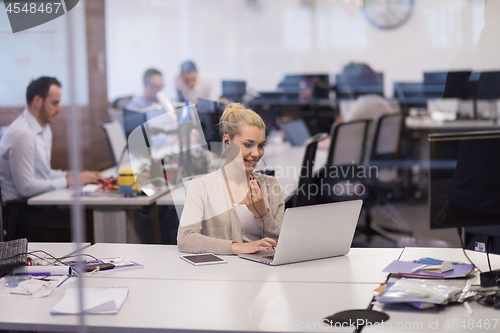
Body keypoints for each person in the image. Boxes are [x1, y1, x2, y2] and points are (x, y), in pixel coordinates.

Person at [177, 103, 284, 254]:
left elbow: (280, 242)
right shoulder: (201, 186)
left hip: (265, 272)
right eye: (248, 144)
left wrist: (262, 214)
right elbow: (185, 239)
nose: (256, 153)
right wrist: (239, 247)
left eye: (261, 145)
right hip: (223, 273)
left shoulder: (271, 185)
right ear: (227, 141)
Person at [0, 76, 101, 202]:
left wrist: (75, 175)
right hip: (21, 210)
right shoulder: (22, 134)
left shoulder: (44, 129)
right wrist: (70, 180)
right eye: (55, 103)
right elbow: (26, 188)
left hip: (38, 203)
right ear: (37, 101)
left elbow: (43, 174)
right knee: (82, 215)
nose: (60, 109)